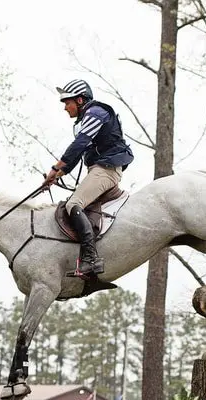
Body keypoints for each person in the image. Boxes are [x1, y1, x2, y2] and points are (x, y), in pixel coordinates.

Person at [43, 79, 134, 279]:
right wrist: (58, 175)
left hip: (106, 169)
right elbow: (80, 151)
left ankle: (91, 259)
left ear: (80, 99)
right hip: (99, 168)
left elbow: (79, 144)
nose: (65, 108)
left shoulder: (95, 113)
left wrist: (55, 168)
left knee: (73, 203)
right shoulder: (86, 118)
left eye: (67, 102)